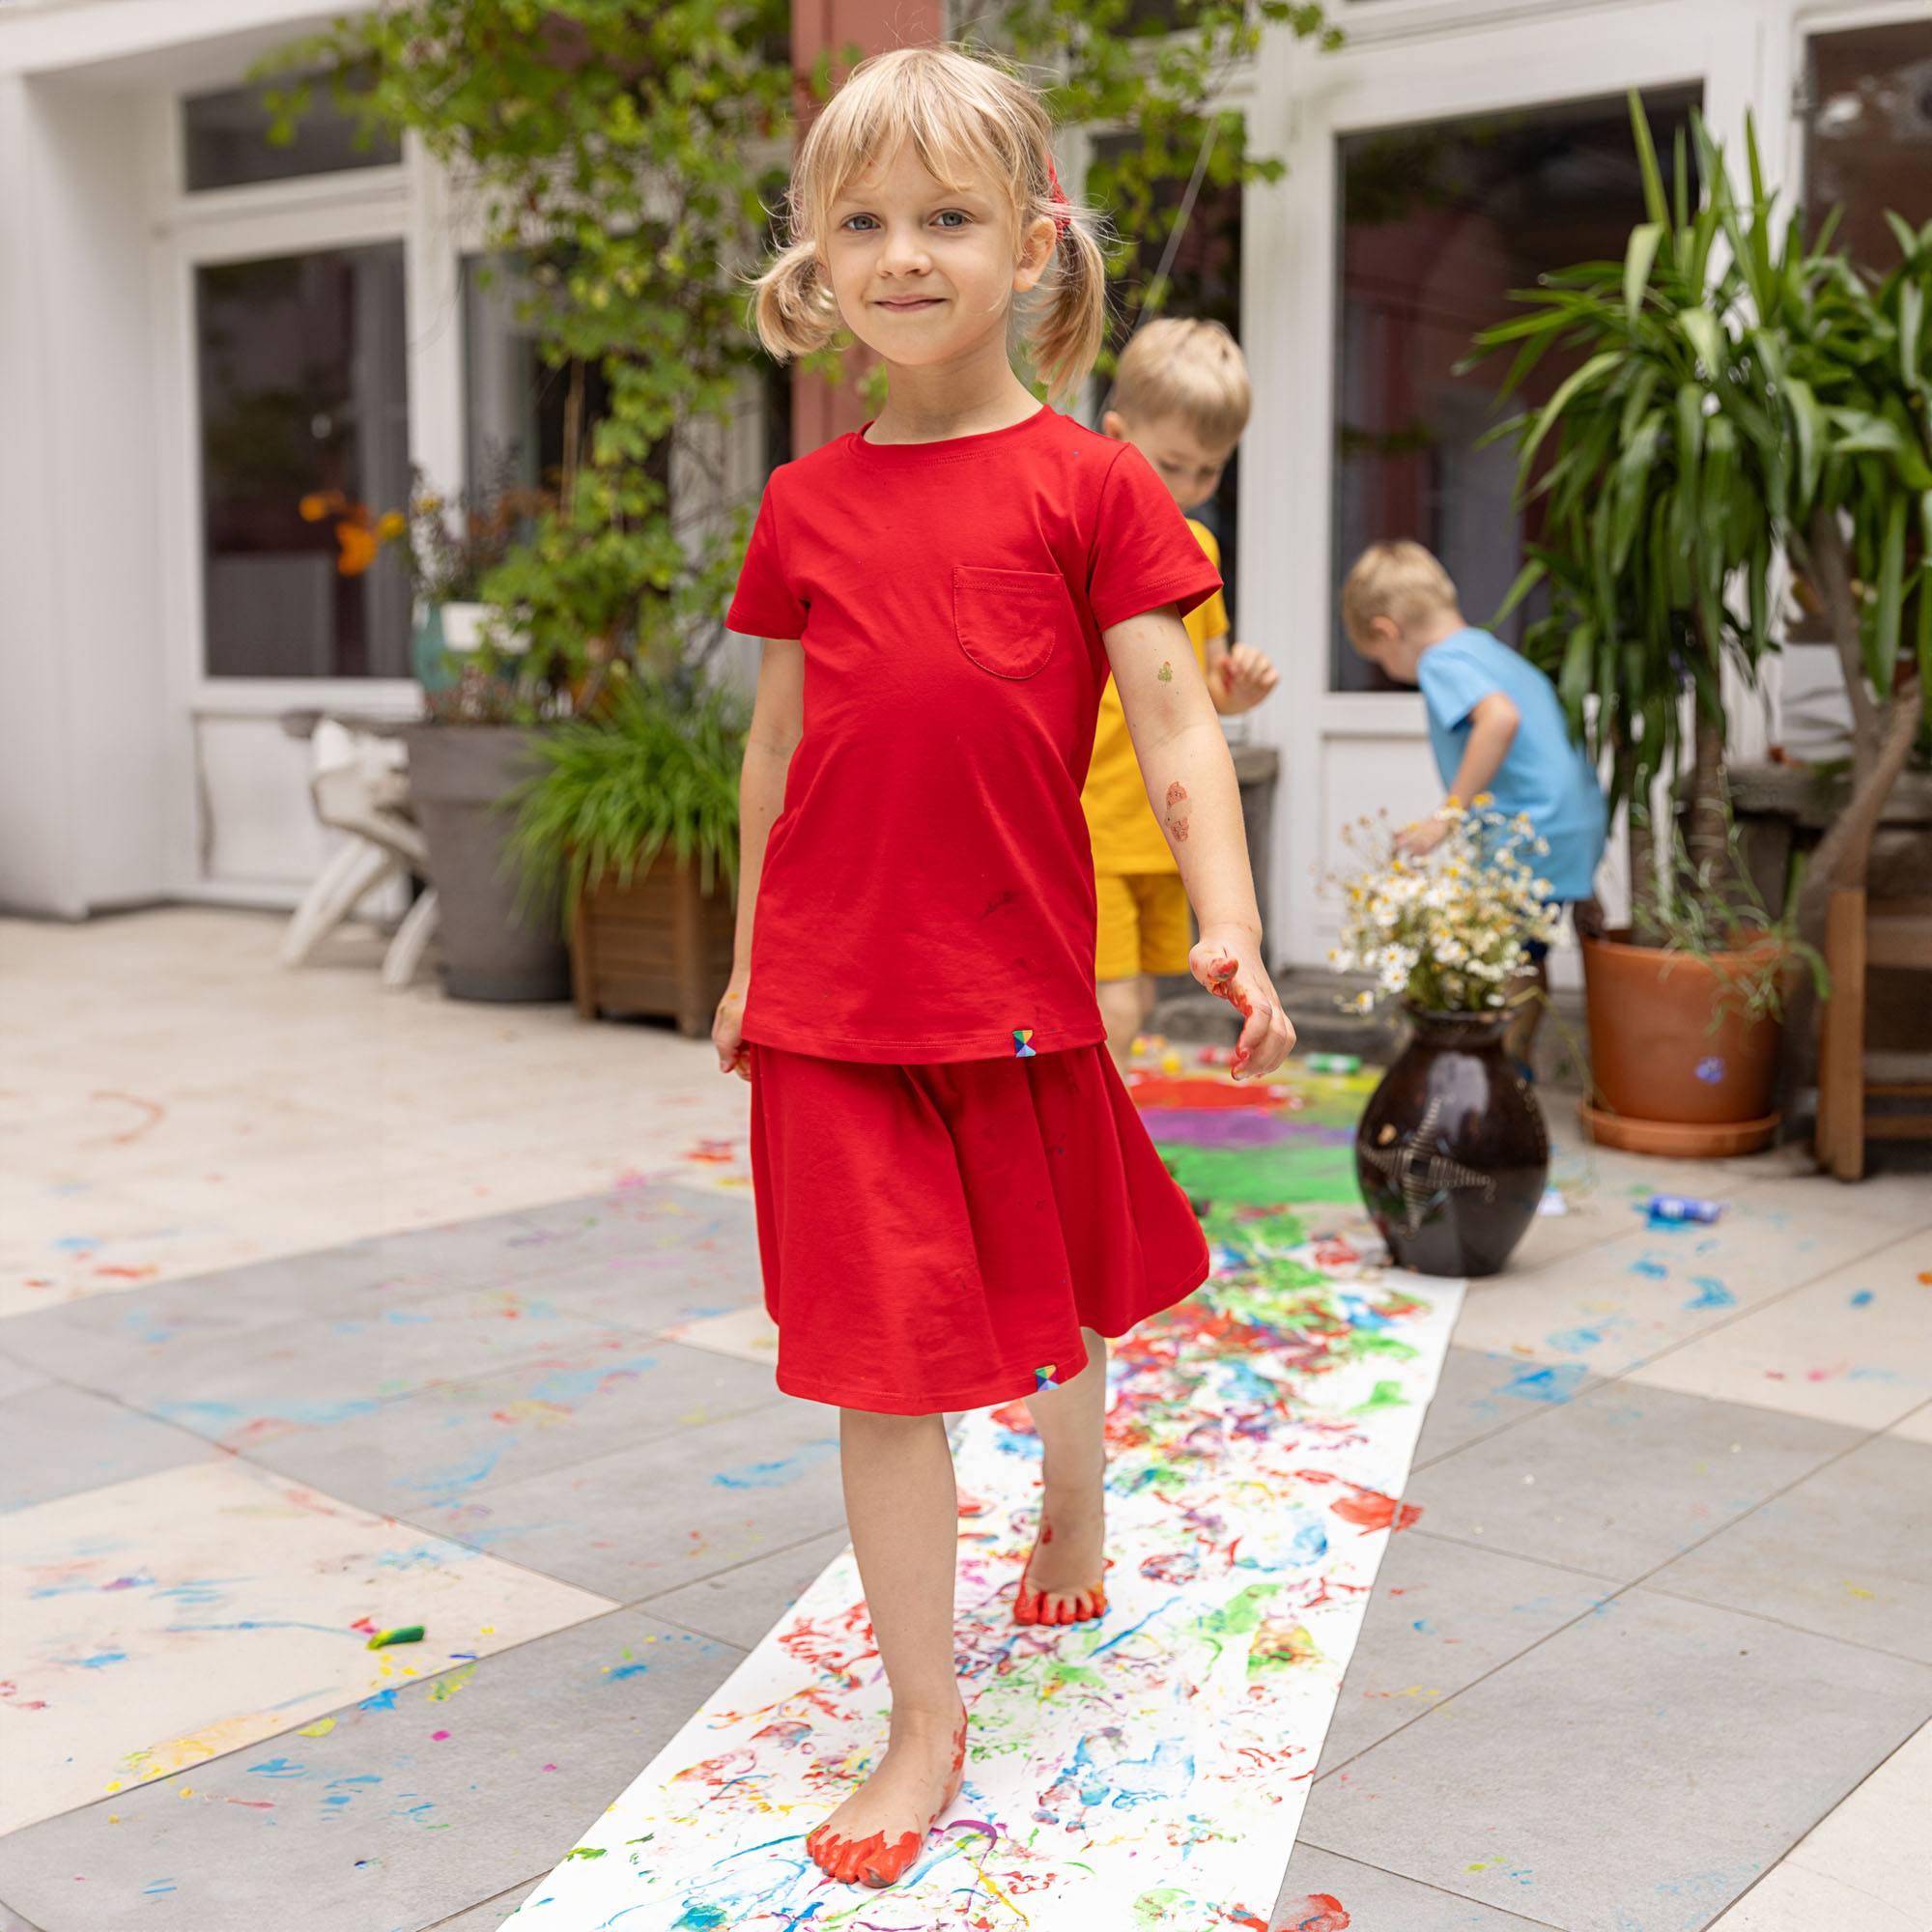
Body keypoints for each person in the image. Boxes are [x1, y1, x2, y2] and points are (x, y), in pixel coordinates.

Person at [713, 43, 1293, 1893]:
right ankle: (923, 1716)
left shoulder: (1097, 483)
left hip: (1019, 979)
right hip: (830, 996)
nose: (904, 254)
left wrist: (1228, 911)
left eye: (947, 218)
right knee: (877, 1365)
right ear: (818, 254)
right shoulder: (804, 506)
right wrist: (744, 965)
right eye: (864, 221)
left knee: (1050, 1301)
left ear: (1032, 244)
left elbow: (1177, 719)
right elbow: (774, 756)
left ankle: (1073, 1479)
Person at [1081, 318, 1280, 1065]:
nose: (1190, 487)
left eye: (1209, 472)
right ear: (1116, 433)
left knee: (1144, 994)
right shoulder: (1086, 534)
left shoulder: (1200, 547)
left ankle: (1105, 1138)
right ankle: (1100, 1151)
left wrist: (1241, 689)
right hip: (1093, 819)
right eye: (1173, 464)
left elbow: (1209, 686)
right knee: (1114, 998)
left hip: (1168, 829)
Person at [1341, 539, 1607, 1065]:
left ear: (1385, 632)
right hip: (1569, 820)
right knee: (1526, 954)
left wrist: (1447, 816)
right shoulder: (1489, 650)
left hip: (1527, 828)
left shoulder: (1441, 661)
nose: (1389, 667)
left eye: (1380, 659)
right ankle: (1515, 1064)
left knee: (1504, 961)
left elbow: (1500, 719)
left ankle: (1506, 1073)